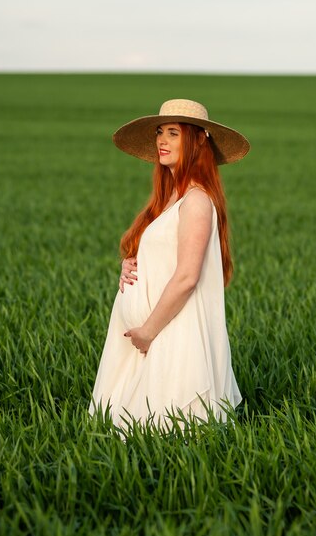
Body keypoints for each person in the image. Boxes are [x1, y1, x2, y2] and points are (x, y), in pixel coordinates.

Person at [88, 98, 250, 431]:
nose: (162, 140)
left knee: (165, 434)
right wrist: (133, 267)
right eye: (160, 132)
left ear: (198, 139)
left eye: (173, 133)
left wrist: (147, 331)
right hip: (153, 336)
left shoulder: (196, 201)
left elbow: (188, 276)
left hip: (170, 333)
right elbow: (164, 257)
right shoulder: (171, 199)